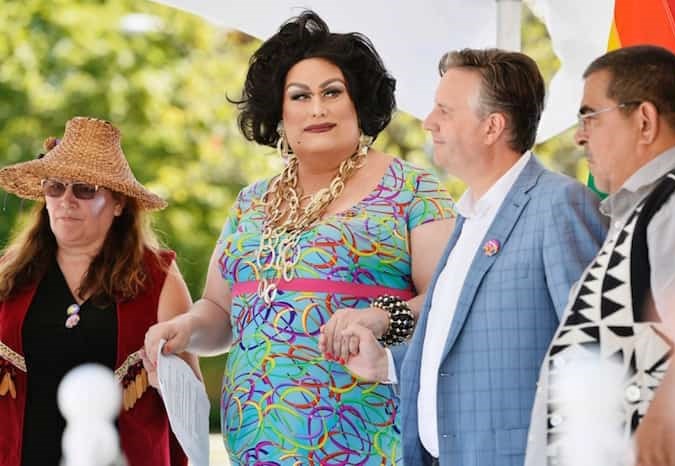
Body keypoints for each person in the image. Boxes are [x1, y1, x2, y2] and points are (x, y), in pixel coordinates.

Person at [143, 10, 456, 465]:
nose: (317, 108)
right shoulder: (250, 203)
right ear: (279, 109)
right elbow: (219, 314)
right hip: (256, 450)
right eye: (299, 95)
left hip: (373, 445)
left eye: (332, 92)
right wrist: (185, 329)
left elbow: (450, 300)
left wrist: (379, 316)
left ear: (358, 103)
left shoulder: (412, 190)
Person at [326, 48, 608, 466]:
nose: (428, 123)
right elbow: (461, 348)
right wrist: (386, 363)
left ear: (492, 126)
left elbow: (595, 352)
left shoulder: (559, 204)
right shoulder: (468, 216)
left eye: (444, 110)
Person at [525, 45, 675, 466]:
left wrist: (670, 414)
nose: (580, 135)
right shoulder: (656, 206)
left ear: (644, 120)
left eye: (590, 116)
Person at [0, 116, 199, 466]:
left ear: (119, 204)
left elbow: (191, 403)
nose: (66, 200)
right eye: (55, 187)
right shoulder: (9, 276)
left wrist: (166, 381)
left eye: (85, 189)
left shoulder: (159, 278)